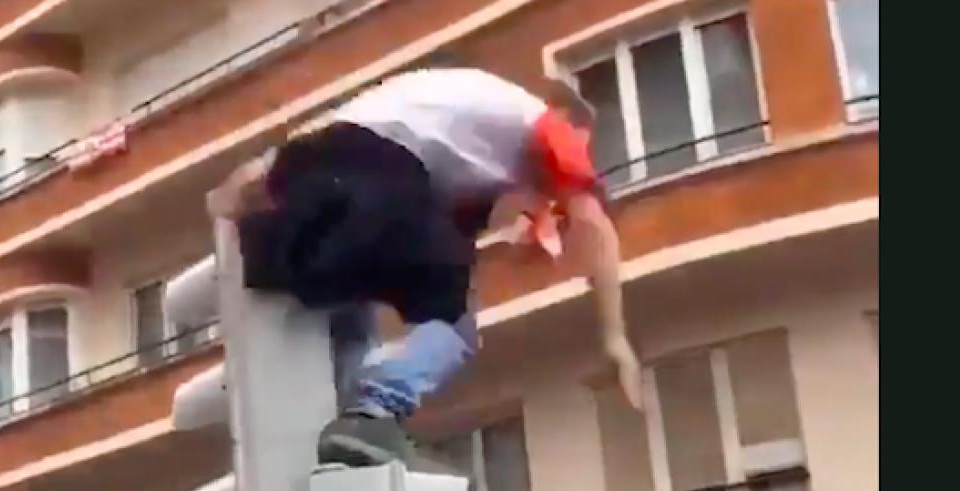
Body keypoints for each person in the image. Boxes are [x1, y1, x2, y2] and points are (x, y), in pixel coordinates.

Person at [209, 65, 643, 466]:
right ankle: (374, 413)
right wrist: (615, 337)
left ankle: (341, 439)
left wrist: (223, 214)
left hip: (303, 185)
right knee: (455, 325)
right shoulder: (547, 122)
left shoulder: (451, 114)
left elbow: (252, 180)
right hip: (382, 174)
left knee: (348, 311)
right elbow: (595, 227)